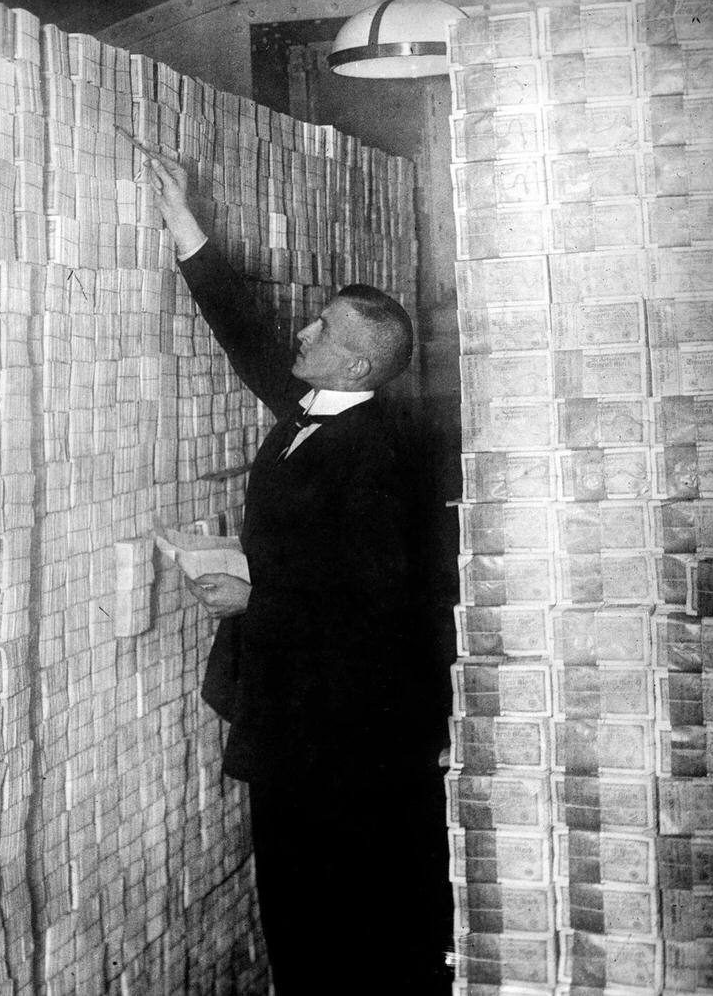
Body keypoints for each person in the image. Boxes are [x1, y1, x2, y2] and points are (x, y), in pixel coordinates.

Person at [142, 148, 450, 994]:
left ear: (357, 367)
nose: (302, 334)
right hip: (293, 718)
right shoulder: (315, 409)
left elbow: (373, 608)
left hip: (342, 739)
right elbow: (251, 341)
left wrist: (253, 596)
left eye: (321, 331)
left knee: (332, 915)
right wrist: (186, 228)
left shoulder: (379, 454)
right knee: (292, 908)